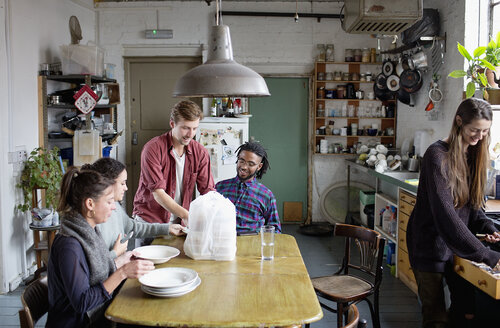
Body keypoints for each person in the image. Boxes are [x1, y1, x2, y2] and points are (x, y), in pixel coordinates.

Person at [406, 98, 500, 328]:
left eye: (485, 131)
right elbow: (447, 216)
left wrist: (486, 225)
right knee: (435, 317)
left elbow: (472, 205)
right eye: (474, 130)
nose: (479, 136)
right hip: (429, 245)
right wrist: (487, 256)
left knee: (465, 309)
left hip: (458, 246)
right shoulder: (436, 156)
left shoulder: (474, 154)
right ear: (459, 122)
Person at [47, 167, 154, 327]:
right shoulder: (69, 246)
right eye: (109, 201)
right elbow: (82, 303)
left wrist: (120, 261)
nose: (113, 207)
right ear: (90, 204)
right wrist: (123, 272)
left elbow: (94, 271)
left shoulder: (88, 231)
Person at [83, 158, 185, 259]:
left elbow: (132, 227)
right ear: (107, 184)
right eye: (122, 183)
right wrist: (115, 253)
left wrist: (167, 228)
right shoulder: (94, 219)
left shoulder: (115, 206)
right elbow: (94, 267)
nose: (126, 188)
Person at [133, 100, 214, 225]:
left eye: (194, 128)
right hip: (150, 222)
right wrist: (188, 216)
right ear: (172, 124)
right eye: (185, 128)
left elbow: (208, 192)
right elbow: (158, 193)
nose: (190, 134)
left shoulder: (200, 152)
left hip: (180, 222)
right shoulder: (153, 149)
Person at [216, 141, 281, 235]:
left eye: (251, 164)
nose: (244, 167)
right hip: (221, 242)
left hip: (252, 246)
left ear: (259, 166)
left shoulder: (266, 195)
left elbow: (275, 229)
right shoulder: (219, 187)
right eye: (241, 161)